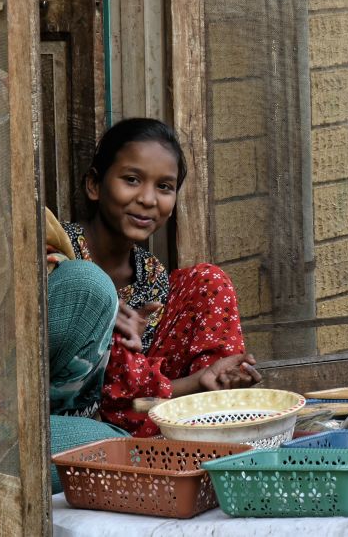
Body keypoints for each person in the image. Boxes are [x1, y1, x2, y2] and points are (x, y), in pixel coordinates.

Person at [46, 117, 261, 443]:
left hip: (128, 411)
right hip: (56, 415)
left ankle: (212, 413)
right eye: (132, 180)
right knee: (91, 286)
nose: (148, 199)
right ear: (94, 185)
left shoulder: (153, 280)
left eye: (164, 187)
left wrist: (201, 378)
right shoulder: (59, 251)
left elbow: (130, 399)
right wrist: (104, 314)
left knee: (208, 280)